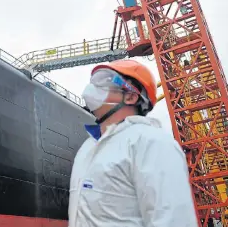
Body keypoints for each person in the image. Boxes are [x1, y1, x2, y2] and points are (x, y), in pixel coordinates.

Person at [68, 59, 199, 227]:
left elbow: (174, 221)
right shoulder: (88, 148)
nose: (93, 88)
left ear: (130, 96)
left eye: (104, 80)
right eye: (93, 82)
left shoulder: (152, 143)